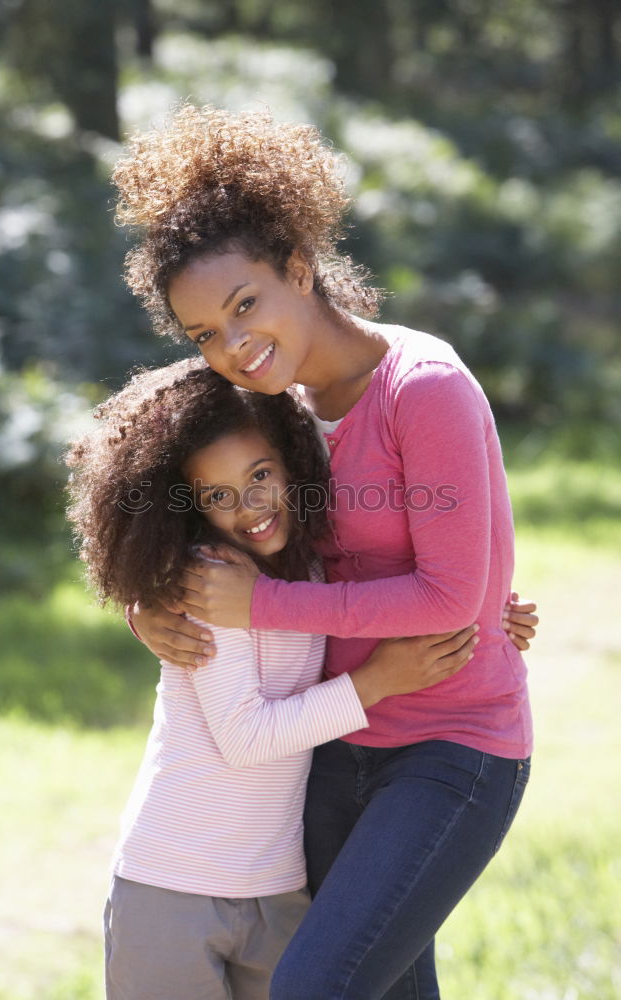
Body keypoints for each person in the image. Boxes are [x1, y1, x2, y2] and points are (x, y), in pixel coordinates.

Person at [115, 104, 538, 999]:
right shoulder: (272, 408)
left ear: (299, 270)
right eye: (203, 334)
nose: (232, 346)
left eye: (244, 306)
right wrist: (148, 603)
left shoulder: (422, 388)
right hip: (331, 751)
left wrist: (263, 606)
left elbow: (447, 599)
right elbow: (171, 502)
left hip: (450, 747)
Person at [65, 361, 482, 1000]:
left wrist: (486, 607)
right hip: (174, 886)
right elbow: (246, 737)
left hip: (277, 886)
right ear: (191, 507)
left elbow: (394, 596)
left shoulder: (312, 566)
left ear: (290, 462)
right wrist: (376, 683)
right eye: (218, 495)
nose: (250, 507)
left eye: (260, 476)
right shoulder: (208, 580)